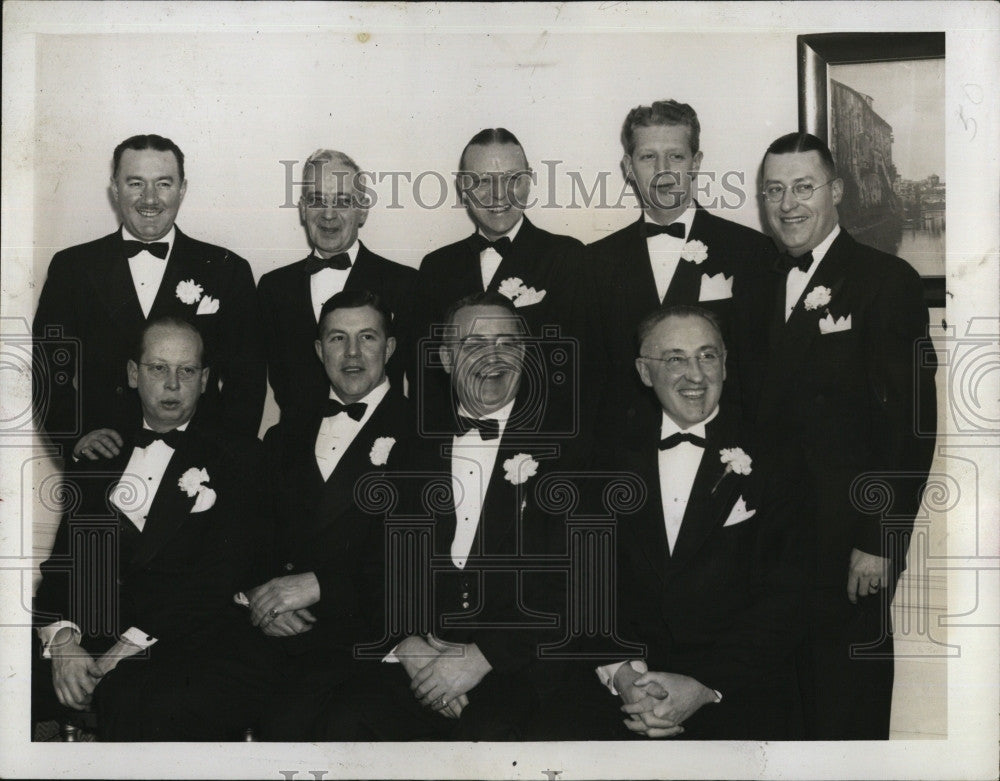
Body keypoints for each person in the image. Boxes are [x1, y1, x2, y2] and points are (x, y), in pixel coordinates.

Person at [533, 305, 807, 740]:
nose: (695, 375)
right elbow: (579, 581)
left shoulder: (777, 456)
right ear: (644, 372)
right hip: (621, 698)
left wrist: (702, 687)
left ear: (725, 363)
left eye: (707, 356)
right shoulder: (597, 457)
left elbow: (791, 593)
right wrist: (623, 673)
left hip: (737, 695)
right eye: (675, 359)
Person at [754, 132, 937, 739]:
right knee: (778, 718)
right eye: (774, 190)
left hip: (847, 551)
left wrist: (879, 540)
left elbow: (911, 427)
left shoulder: (887, 280)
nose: (788, 205)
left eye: (803, 187)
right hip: (765, 548)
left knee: (844, 716)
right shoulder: (755, 281)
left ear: (835, 191)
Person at [330, 291, 571, 740]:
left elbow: (573, 580)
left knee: (491, 738)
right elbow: (375, 565)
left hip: (514, 666)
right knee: (344, 723)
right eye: (474, 345)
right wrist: (409, 647)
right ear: (444, 356)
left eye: (507, 344)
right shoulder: (410, 447)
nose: (492, 359)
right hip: (417, 656)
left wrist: (482, 657)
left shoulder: (564, 453)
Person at [32, 317, 269, 740]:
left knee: (139, 698)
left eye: (187, 371)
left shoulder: (241, 457)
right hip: (92, 633)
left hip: (187, 639)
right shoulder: (98, 452)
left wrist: (128, 645)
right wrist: (63, 641)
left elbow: (218, 578)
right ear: (132, 373)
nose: (173, 385)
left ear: (205, 380)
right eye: (158, 368)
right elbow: (63, 565)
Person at [243, 289, 412, 740]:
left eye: (367, 338)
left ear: (390, 348)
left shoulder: (422, 437)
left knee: (295, 724)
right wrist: (261, 596)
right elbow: (249, 532)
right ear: (320, 351)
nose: (352, 353)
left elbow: (414, 565)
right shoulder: (283, 434)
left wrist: (318, 585)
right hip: (271, 630)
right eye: (338, 338)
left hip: (364, 639)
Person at [33, 134, 265, 458]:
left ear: (182, 189)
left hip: (199, 465)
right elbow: (46, 369)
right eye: (136, 183)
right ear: (115, 189)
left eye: (164, 184)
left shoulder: (227, 270)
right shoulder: (73, 268)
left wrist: (227, 454)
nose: (150, 199)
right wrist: (73, 438)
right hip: (103, 462)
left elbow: (248, 381)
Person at [586, 100, 775, 447]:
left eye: (675, 156)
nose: (663, 171)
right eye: (647, 157)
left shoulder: (751, 251)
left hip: (728, 452)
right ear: (629, 166)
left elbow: (759, 371)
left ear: (696, 163)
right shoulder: (595, 262)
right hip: (624, 458)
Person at [412, 129, 587, 436]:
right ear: (463, 187)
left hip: (544, 439)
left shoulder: (568, 257)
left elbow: (582, 369)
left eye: (512, 179)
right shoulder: (436, 267)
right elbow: (426, 378)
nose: (498, 195)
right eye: (481, 181)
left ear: (530, 180)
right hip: (458, 439)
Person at [258, 149, 416, 418]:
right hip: (297, 448)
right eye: (317, 200)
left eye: (342, 202)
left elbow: (421, 386)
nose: (328, 215)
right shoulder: (273, 288)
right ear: (303, 209)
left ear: (362, 210)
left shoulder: (405, 284)